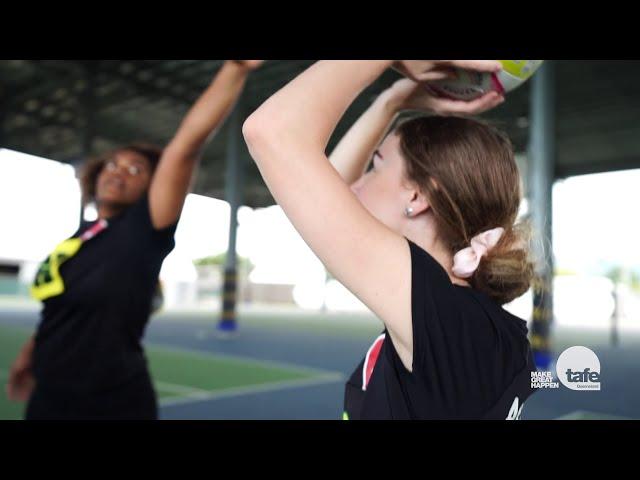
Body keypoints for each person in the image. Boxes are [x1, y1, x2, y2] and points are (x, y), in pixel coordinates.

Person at [242, 60, 537, 419]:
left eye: (376, 165)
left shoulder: (447, 321)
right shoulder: (463, 323)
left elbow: (272, 131)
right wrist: (390, 103)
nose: (356, 185)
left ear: (417, 197)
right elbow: (319, 200)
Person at [6, 60, 263, 420]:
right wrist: (27, 358)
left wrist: (235, 69)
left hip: (110, 403)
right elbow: (56, 311)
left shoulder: (143, 231)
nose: (119, 173)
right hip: (48, 395)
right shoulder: (77, 241)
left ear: (152, 187)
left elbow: (184, 148)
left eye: (135, 170)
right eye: (113, 164)